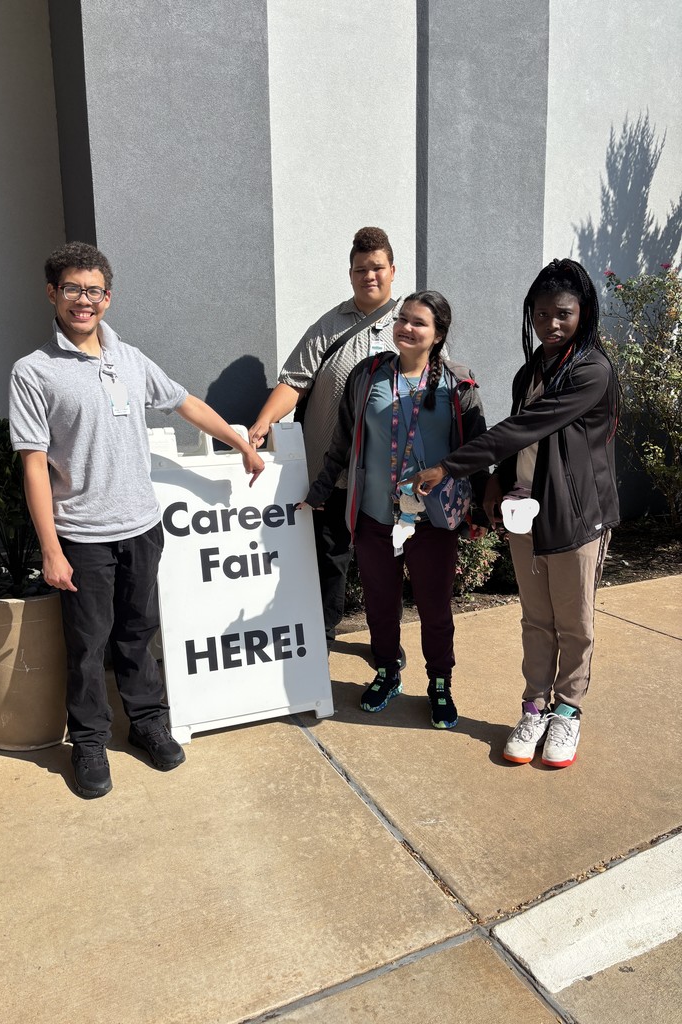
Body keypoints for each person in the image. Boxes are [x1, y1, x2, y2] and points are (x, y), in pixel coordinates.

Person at [9, 241, 264, 799]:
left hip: (141, 527)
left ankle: (147, 721)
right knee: (86, 644)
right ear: (52, 293)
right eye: (72, 289)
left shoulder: (129, 358)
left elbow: (184, 401)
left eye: (94, 291)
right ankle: (91, 742)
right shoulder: (34, 372)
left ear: (108, 297)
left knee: (137, 633)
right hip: (82, 535)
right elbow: (33, 465)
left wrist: (238, 441)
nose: (84, 301)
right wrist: (50, 548)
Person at [410, 259, 620, 767]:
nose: (550, 324)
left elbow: (525, 428)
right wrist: (496, 484)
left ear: (583, 312)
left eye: (562, 314)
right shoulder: (532, 370)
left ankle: (567, 712)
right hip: (526, 511)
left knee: (574, 623)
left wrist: (450, 467)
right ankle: (534, 707)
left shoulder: (591, 370)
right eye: (541, 314)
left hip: (575, 518)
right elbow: (517, 435)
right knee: (536, 619)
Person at [302, 291, 488, 727]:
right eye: (402, 319)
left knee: (435, 606)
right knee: (380, 604)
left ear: (437, 334)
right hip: (375, 516)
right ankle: (387, 672)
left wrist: (479, 510)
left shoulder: (457, 383)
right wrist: (321, 488)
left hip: (432, 520)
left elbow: (477, 450)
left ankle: (440, 683)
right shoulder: (368, 376)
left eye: (418, 322)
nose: (406, 327)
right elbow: (343, 441)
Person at [249, 227, 400, 648]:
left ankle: (385, 643)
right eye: (360, 269)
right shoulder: (329, 325)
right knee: (330, 558)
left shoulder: (406, 324)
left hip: (382, 476)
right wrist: (263, 422)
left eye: (376, 268)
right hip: (329, 472)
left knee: (382, 560)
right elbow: (294, 381)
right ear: (350, 274)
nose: (368, 276)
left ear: (392, 271)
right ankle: (322, 635)